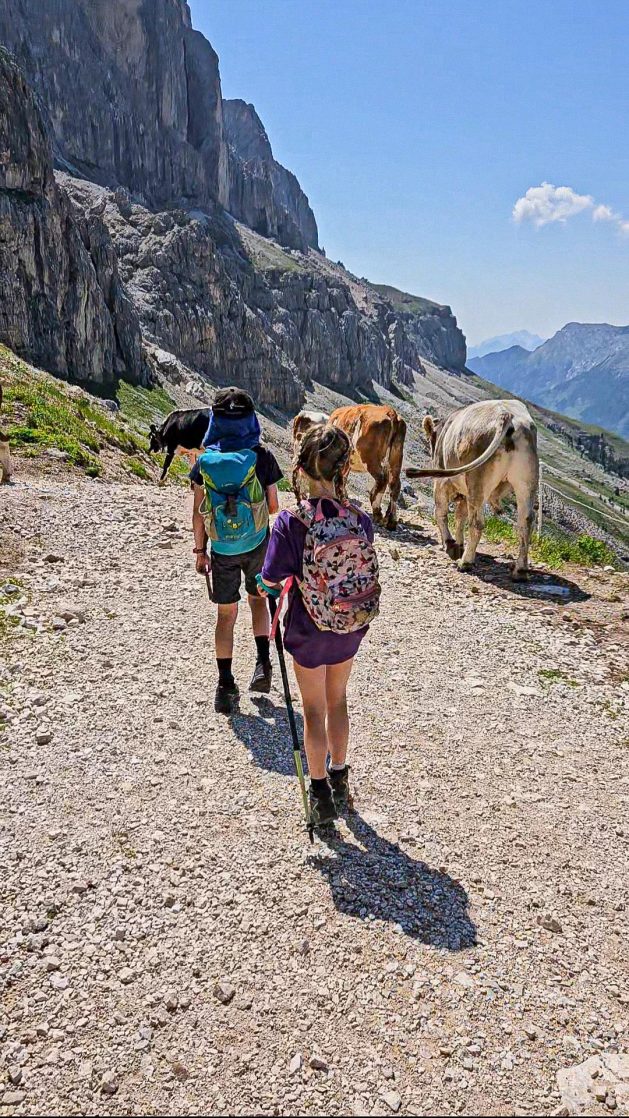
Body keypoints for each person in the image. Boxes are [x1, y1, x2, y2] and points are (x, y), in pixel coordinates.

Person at [258, 424, 377, 827]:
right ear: (344, 470)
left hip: (308, 630)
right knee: (338, 700)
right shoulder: (359, 518)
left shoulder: (292, 522)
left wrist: (264, 584)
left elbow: (271, 580)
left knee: (312, 710)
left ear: (302, 467)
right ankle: (341, 775)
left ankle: (321, 791)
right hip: (349, 624)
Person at [190, 387, 282, 714]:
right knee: (259, 602)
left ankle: (225, 686)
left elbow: (199, 510)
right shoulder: (261, 456)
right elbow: (272, 506)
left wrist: (200, 552)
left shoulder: (204, 462)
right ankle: (262, 664)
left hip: (222, 549)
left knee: (225, 615)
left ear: (215, 419)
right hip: (257, 544)